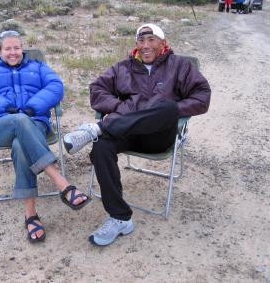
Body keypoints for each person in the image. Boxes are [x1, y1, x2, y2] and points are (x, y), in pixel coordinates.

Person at [63, 24, 211, 246]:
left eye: (151, 39)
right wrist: (121, 108)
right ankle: (120, 218)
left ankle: (99, 127)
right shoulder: (123, 67)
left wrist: (170, 113)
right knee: (102, 146)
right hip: (127, 132)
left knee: (168, 107)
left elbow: (202, 96)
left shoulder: (180, 66)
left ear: (162, 42)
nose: (145, 45)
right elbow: (96, 90)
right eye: (141, 41)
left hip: (158, 136)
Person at [0, 30, 90, 243]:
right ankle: (61, 182)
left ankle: (30, 214)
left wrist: (34, 106)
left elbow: (55, 86)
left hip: (36, 124)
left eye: (16, 48)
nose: (13, 52)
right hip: (1, 126)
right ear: (0, 51)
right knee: (19, 121)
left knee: (20, 145)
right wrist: (5, 107)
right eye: (8, 49)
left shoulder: (38, 67)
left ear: (22, 49)